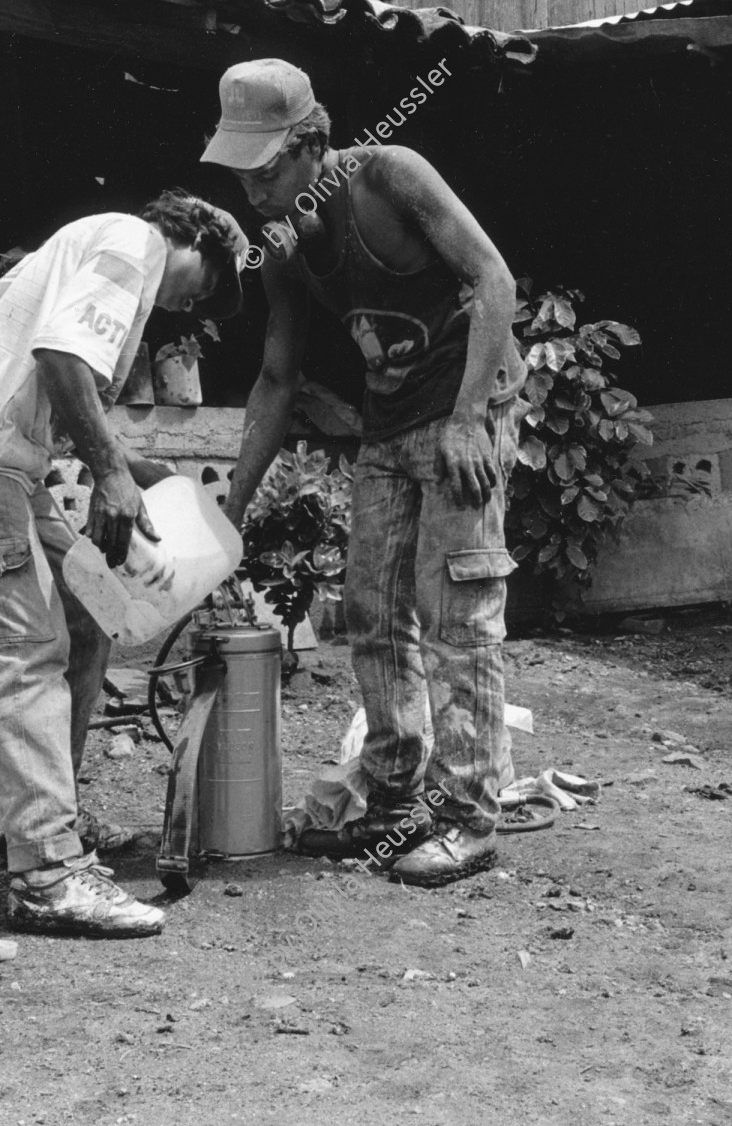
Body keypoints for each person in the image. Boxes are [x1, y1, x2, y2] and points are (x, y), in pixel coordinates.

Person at [201, 59, 526, 887]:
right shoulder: (282, 252)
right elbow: (276, 381)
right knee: (372, 613)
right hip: (387, 426)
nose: (254, 192)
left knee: (458, 612)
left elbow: (492, 278)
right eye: (240, 174)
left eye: (266, 169)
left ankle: (468, 817)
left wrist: (466, 420)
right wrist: (229, 508)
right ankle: (390, 802)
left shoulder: (390, 177)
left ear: (313, 144)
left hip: (464, 405)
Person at [0, 191, 248, 936]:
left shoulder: (101, 240)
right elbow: (62, 358)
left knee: (88, 614)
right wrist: (112, 475)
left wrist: (123, 462)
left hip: (0, 461)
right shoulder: (134, 245)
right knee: (27, 651)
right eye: (206, 285)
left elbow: (60, 373)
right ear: (198, 243)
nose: (190, 303)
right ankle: (47, 874)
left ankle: (54, 819)